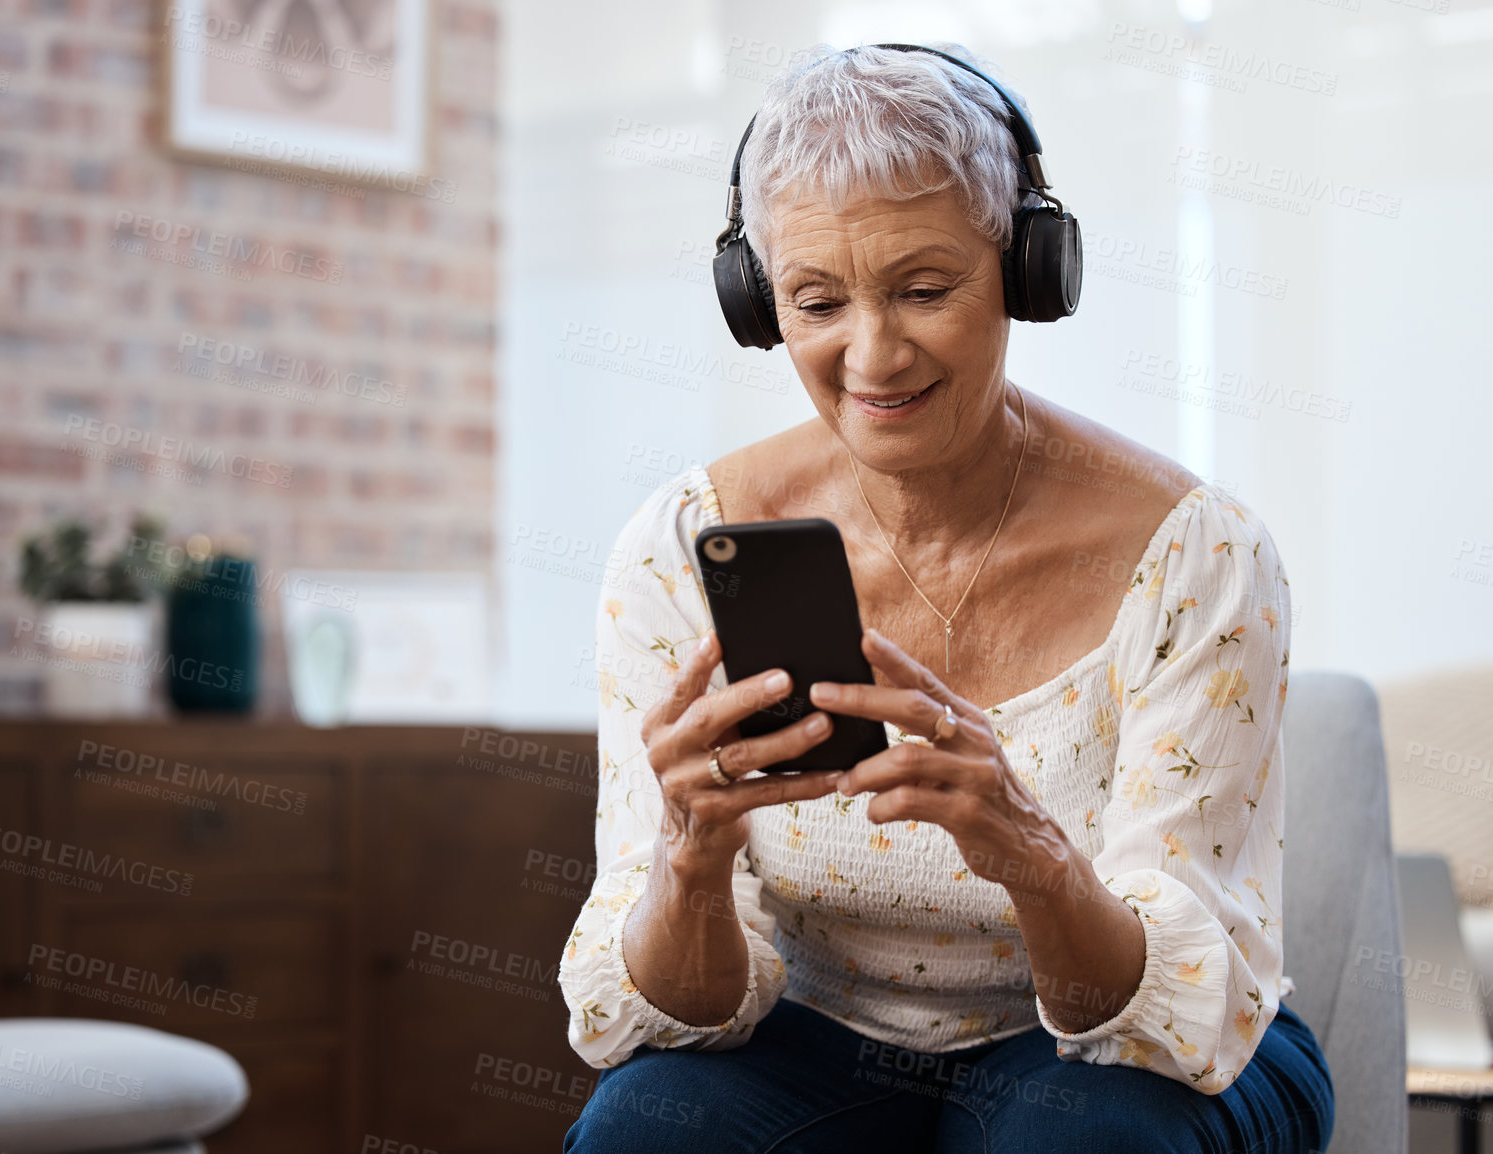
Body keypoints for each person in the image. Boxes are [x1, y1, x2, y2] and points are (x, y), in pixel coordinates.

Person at [558, 43, 1332, 1152]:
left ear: (1026, 270)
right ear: (758, 300)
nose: (872, 355)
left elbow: (1175, 1018)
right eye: (817, 302)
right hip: (821, 1030)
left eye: (924, 289)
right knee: (644, 1129)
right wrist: (688, 853)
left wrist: (1031, 851)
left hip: (1120, 1040)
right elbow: (672, 1013)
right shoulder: (680, 548)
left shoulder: (1196, 549)